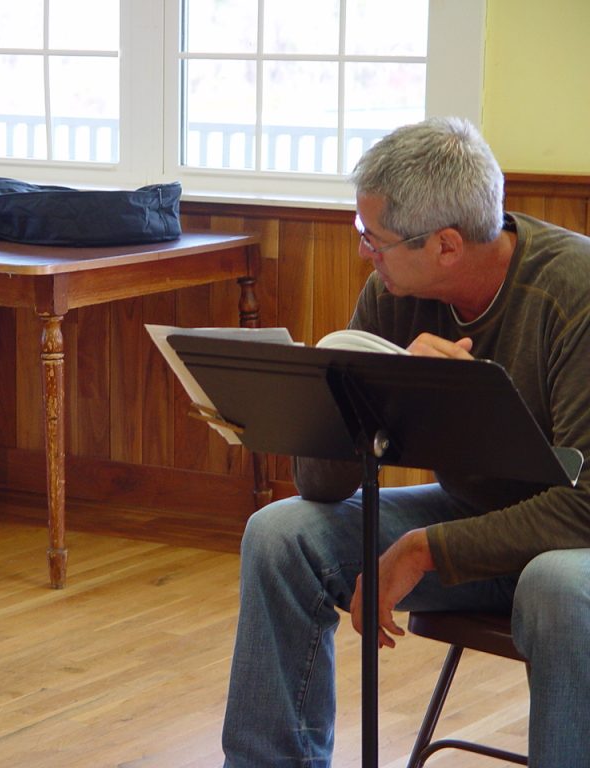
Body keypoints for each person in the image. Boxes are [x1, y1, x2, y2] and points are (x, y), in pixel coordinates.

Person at [221, 116, 590, 767]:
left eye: (375, 239)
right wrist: (366, 397)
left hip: (570, 543)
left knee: (555, 585)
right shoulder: (394, 293)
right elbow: (323, 488)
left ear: (446, 244)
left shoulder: (574, 296)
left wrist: (426, 548)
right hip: (481, 515)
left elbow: (584, 511)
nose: (364, 251)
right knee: (280, 533)